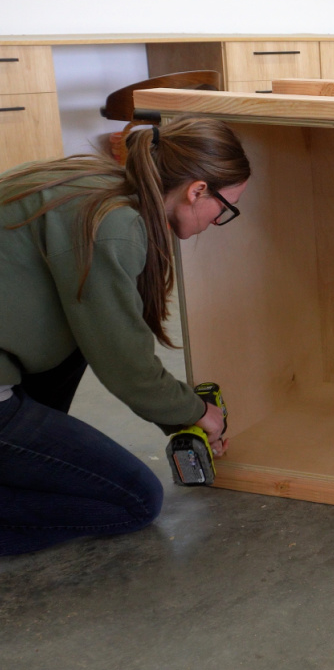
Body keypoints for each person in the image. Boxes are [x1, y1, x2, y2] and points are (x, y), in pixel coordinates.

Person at [0, 116, 250, 556]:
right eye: (226, 208)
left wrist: (179, 414)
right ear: (197, 190)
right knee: (134, 500)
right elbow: (127, 367)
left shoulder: (93, 181)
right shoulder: (115, 225)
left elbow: (105, 337)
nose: (218, 220)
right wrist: (196, 412)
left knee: (83, 336)